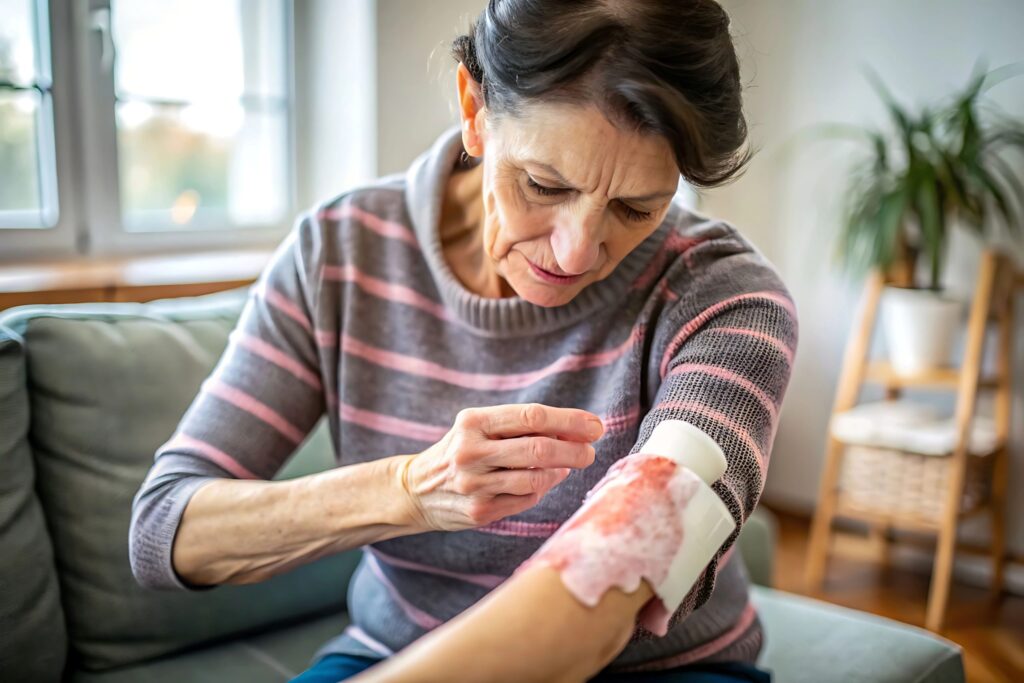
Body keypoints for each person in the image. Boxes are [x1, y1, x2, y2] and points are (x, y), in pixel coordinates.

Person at [129, 0, 798, 680]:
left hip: (660, 670)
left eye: (636, 208)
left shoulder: (725, 295)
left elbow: (615, 577)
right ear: (474, 109)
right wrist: (408, 489)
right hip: (398, 649)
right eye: (543, 184)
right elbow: (166, 531)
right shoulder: (337, 254)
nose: (574, 253)